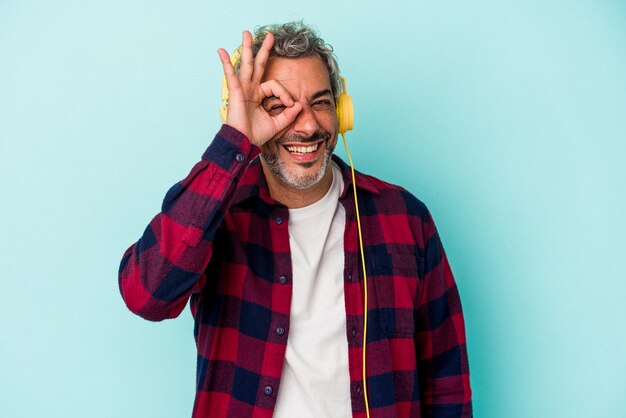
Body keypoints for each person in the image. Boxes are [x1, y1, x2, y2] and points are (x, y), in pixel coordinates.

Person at [119, 21, 472, 418]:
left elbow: (446, 380)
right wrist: (234, 140)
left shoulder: (405, 219)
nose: (306, 126)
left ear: (342, 112)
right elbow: (146, 293)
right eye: (279, 107)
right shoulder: (217, 214)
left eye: (321, 103)